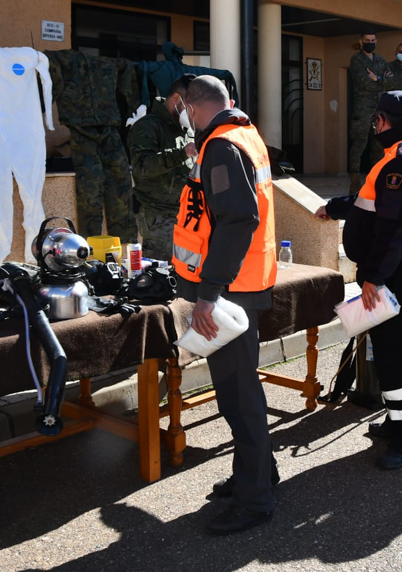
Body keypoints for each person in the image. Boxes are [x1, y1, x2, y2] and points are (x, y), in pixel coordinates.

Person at [171, 75, 279, 534]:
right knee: (242, 390)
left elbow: (237, 220)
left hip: (229, 291)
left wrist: (208, 293)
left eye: (182, 110)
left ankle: (255, 500)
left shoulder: (220, 146)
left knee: (239, 396)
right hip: (244, 283)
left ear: (193, 108)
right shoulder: (245, 134)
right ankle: (257, 475)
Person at [315, 91, 402, 470]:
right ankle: (397, 420)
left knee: (395, 351)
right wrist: (336, 207)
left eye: (377, 121)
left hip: (395, 271)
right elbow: (373, 202)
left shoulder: (401, 162)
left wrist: (373, 278)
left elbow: (393, 228)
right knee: (392, 348)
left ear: (384, 121)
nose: (375, 128)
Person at [127, 76, 198, 261]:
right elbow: (142, 166)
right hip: (158, 216)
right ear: (176, 99)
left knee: (186, 275)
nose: (192, 111)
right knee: (161, 276)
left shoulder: (187, 129)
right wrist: (182, 153)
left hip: (186, 214)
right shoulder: (147, 126)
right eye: (189, 104)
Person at [348, 28, 389, 193]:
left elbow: (390, 82)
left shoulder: (380, 60)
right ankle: (355, 183)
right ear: (361, 41)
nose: (370, 43)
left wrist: (377, 78)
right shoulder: (356, 60)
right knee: (358, 145)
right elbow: (364, 83)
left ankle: (376, 181)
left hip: (379, 109)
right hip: (362, 109)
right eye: (367, 41)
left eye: (373, 41)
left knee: (378, 146)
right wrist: (380, 81)